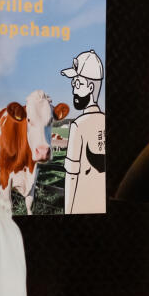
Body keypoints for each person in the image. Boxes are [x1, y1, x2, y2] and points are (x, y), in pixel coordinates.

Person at [60, 49, 105, 214]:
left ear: (91, 87)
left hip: (80, 207)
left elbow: (71, 176)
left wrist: (68, 212)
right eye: (73, 84)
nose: (74, 90)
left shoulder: (78, 126)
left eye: (78, 84)